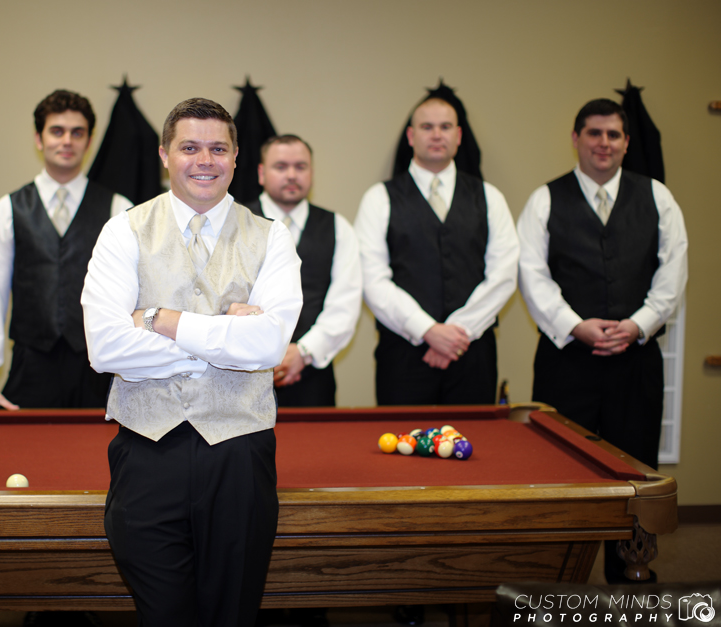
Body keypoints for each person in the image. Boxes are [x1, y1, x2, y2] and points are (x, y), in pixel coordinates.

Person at [81, 98, 302, 626]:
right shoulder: (123, 231)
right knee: (164, 617)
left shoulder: (272, 235)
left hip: (240, 456)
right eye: (190, 147)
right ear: (164, 155)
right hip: (146, 454)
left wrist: (157, 317)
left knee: (233, 616)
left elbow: (268, 347)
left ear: (236, 157)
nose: (205, 160)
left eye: (218, 149)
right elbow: (105, 348)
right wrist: (228, 334)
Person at [518, 98, 688, 471]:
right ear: (576, 138)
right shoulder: (543, 200)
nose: (604, 142)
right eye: (594, 133)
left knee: (635, 467)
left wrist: (637, 325)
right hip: (564, 362)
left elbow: (672, 273)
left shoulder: (659, 198)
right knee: (556, 467)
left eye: (613, 134)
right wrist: (575, 326)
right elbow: (532, 276)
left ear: (627, 142)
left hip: (636, 364)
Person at [0, 89, 131, 411]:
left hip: (98, 367)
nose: (67, 141)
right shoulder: (9, 209)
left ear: (89, 140)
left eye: (77, 133)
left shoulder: (118, 208)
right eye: (57, 131)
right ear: (39, 139)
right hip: (31, 366)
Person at [355, 97, 519, 406]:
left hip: (472, 355)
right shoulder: (379, 198)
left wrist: (457, 334)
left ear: (458, 136)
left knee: (475, 449)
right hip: (403, 356)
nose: (436, 134)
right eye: (426, 126)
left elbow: (504, 274)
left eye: (445, 127)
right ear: (411, 136)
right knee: (402, 450)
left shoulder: (489, 197)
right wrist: (427, 330)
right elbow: (372, 279)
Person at [245, 135, 361, 407]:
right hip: (244, 375)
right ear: (262, 173)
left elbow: (345, 303)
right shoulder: (236, 222)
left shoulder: (337, 227)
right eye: (281, 167)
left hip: (313, 376)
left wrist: (303, 353)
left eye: (300, 167)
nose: (291, 175)